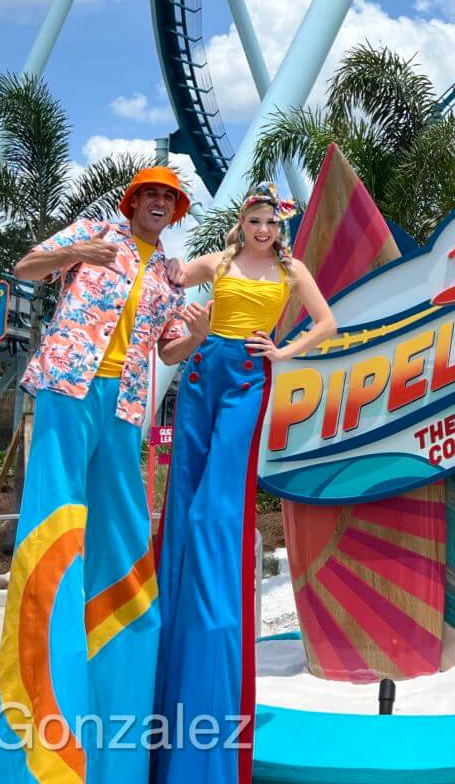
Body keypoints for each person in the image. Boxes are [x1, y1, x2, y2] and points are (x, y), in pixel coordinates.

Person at [0, 166, 190, 783]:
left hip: (126, 406)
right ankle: (45, 705)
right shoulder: (95, 231)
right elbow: (25, 267)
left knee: (124, 539)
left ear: (175, 212)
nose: (157, 203)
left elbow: (171, 348)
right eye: (150, 194)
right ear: (133, 202)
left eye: (168, 198)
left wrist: (200, 333)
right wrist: (78, 251)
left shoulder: (167, 274)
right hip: (68, 385)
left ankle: (116, 732)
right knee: (57, 524)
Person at [151, 185, 336, 784]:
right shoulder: (221, 261)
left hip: (248, 381)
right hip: (203, 373)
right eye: (253, 220)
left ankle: (213, 618)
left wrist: (285, 351)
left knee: (215, 511)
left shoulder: (291, 268)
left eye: (270, 222)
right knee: (184, 501)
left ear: (281, 228)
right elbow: (169, 275)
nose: (262, 229)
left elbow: (328, 322)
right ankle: (178, 605)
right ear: (242, 223)